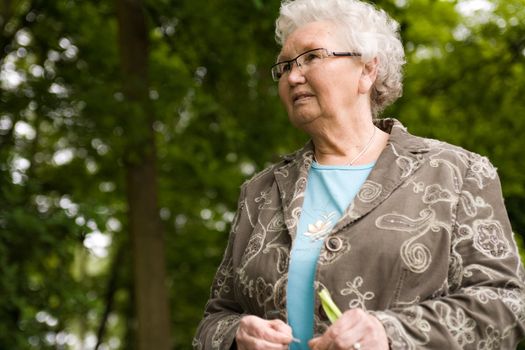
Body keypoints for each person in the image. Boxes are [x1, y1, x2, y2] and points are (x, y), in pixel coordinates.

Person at [194, 0, 525, 348]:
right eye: (284, 66)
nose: (293, 75)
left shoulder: (456, 174)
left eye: (311, 57)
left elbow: (505, 305)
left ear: (367, 70)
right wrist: (236, 336)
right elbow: (215, 318)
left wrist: (389, 334)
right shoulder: (258, 193)